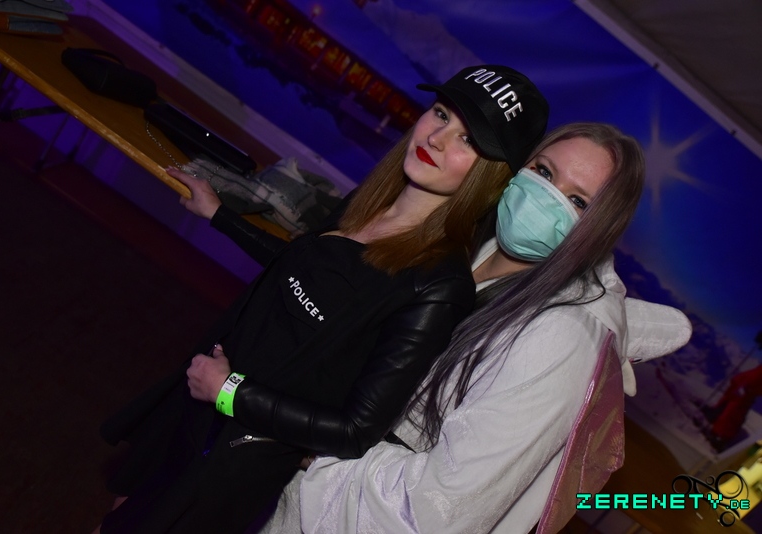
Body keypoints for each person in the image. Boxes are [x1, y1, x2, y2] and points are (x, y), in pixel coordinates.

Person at [94, 65, 550, 534]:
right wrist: (220, 215)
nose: (436, 138)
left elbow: (355, 430)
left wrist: (230, 392)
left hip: (231, 450)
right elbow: (302, 268)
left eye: (467, 140)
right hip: (198, 396)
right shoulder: (367, 203)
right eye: (440, 114)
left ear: (492, 176)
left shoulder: (439, 286)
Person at [256, 122, 691, 533]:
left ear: (598, 231)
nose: (545, 198)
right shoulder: (466, 243)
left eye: (577, 201)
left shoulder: (561, 340)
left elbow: (442, 507)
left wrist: (320, 455)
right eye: (543, 172)